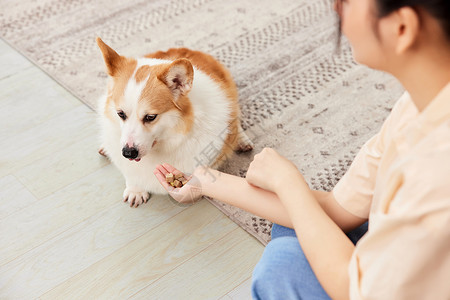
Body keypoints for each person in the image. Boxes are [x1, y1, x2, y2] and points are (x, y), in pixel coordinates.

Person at [154, 0, 450, 298]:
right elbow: (339, 209)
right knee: (295, 225)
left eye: (347, 2)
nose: (335, 8)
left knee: (283, 268)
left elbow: (356, 291)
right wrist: (204, 181)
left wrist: (288, 183)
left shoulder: (436, 168)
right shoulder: (419, 105)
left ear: (402, 27)